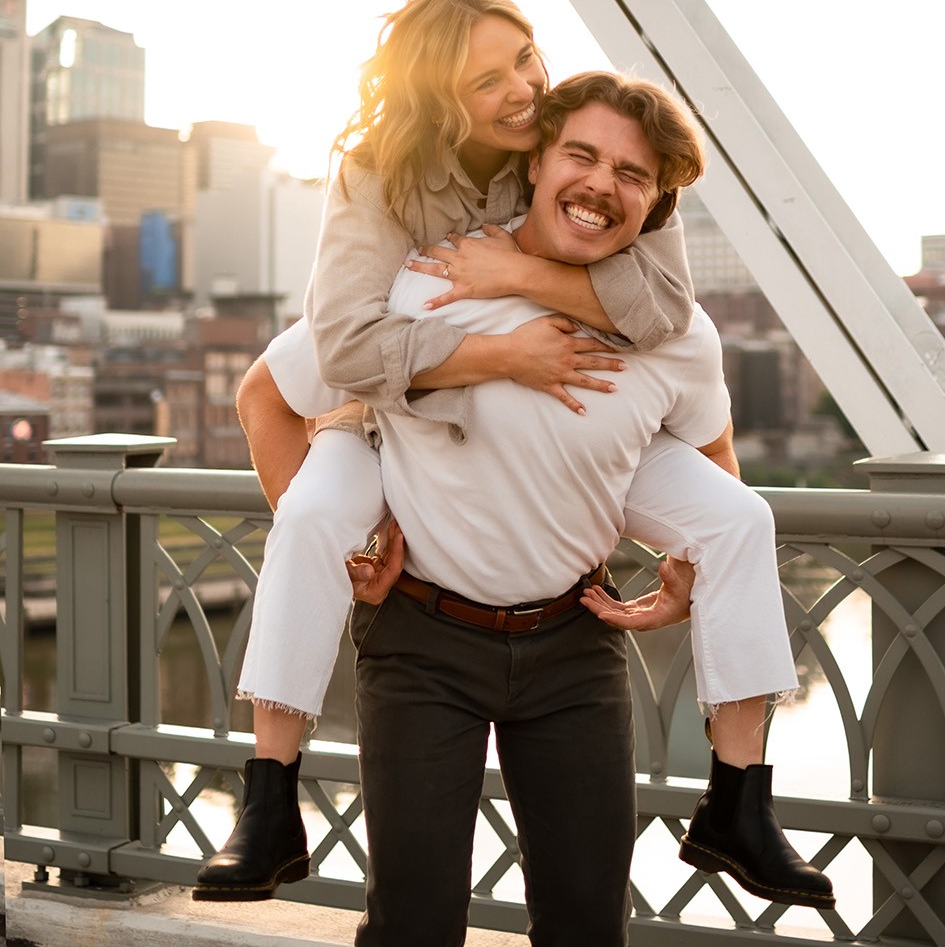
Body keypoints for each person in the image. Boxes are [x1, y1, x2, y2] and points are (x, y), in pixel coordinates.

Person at [196, 73, 835, 928]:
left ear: (656, 202)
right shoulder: (430, 278)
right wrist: (335, 549)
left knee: (586, 923)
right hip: (423, 643)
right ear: (534, 161)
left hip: (575, 644)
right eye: (582, 154)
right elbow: (267, 396)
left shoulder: (677, 332)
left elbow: (712, 453)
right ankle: (268, 795)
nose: (604, 185)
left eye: (634, 174)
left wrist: (693, 562)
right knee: (414, 926)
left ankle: (740, 802)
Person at [194, 0, 696, 901]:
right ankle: (268, 799)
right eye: (486, 83)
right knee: (308, 519)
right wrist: (500, 351)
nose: (523, 89)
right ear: (437, 101)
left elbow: (664, 306)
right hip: (380, 409)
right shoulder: (379, 171)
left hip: (521, 490)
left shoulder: (581, 138)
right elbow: (342, 345)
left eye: (526, 57)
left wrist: (519, 273)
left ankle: (740, 798)